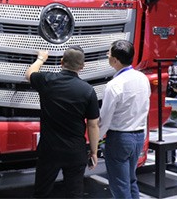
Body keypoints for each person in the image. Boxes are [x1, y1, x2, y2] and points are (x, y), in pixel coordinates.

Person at [25, 46, 99, 198]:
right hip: (75, 151)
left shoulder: (47, 80)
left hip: (49, 150)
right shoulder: (88, 90)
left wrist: (41, 58)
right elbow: (93, 125)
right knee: (74, 194)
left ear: (61, 62)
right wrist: (94, 151)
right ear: (82, 66)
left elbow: (29, 74)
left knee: (41, 193)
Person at [99, 40, 150, 199]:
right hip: (139, 135)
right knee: (131, 180)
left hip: (119, 138)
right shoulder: (143, 78)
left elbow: (105, 119)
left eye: (109, 53)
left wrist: (95, 140)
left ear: (115, 60)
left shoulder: (114, 84)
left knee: (120, 186)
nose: (107, 55)